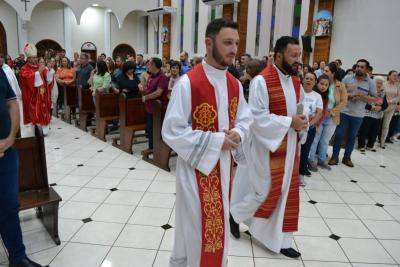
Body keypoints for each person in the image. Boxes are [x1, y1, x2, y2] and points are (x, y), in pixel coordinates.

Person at [162, 18, 252, 267]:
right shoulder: (188, 83)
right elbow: (171, 131)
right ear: (209, 43)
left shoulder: (234, 83)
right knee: (198, 228)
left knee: (217, 226)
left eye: (236, 43)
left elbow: (245, 118)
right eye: (227, 43)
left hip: (224, 169)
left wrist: (238, 134)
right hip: (195, 172)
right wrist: (216, 140)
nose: (234, 49)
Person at [230, 36, 308, 259]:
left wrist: (303, 122)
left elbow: (300, 110)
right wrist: (288, 122)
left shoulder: (295, 82)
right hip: (266, 148)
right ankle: (234, 215)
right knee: (264, 192)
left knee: (287, 193)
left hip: (290, 146)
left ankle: (282, 240)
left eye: (299, 55)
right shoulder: (261, 81)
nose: (297, 60)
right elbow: (257, 118)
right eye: (293, 56)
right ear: (279, 55)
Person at [1, 63, 43, 267]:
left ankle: (18, 258)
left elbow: (11, 103)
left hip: (5, 150)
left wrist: (10, 138)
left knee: (9, 205)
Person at [328, 59, 376, 167]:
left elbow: (375, 99)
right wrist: (349, 96)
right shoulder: (347, 78)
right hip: (344, 112)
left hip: (358, 115)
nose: (359, 68)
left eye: (362, 67)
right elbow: (339, 92)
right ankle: (334, 157)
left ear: (367, 69)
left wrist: (363, 96)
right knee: (339, 135)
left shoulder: (371, 82)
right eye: (358, 66)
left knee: (352, 136)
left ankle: (347, 158)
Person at [309, 62, 347, 171]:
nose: (323, 72)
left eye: (326, 71)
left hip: (332, 117)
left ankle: (321, 160)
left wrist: (332, 112)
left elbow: (344, 102)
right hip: (319, 116)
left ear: (333, 73)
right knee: (315, 139)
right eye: (323, 70)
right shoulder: (320, 83)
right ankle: (311, 160)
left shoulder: (340, 85)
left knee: (325, 140)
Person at [299, 72, 323, 185]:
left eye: (311, 79)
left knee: (305, 151)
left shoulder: (317, 96)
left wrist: (310, 124)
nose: (308, 80)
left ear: (315, 82)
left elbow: (319, 113)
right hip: (295, 126)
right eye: (306, 78)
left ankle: (301, 175)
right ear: (303, 80)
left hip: (310, 128)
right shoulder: (297, 91)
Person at [141, 57, 169, 154]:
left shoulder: (162, 77)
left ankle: (156, 148)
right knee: (150, 128)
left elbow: (158, 93)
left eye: (149, 64)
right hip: (149, 107)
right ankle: (152, 146)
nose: (147, 66)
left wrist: (146, 97)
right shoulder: (151, 76)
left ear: (153, 65)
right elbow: (147, 89)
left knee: (156, 128)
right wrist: (142, 89)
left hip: (158, 108)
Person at [357, 76, 387, 152]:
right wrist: (371, 108)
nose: (379, 85)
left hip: (378, 115)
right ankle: (361, 145)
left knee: (374, 131)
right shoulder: (369, 90)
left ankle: (370, 145)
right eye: (377, 83)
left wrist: (381, 108)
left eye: (381, 83)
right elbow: (362, 101)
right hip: (367, 113)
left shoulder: (383, 92)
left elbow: (385, 104)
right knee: (364, 130)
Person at [20, 44, 39, 128]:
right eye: (33, 57)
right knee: (32, 109)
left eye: (36, 57)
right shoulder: (24, 68)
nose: (35, 59)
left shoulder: (38, 66)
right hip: (30, 94)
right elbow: (27, 78)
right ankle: (34, 125)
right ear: (28, 58)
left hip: (39, 92)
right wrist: (38, 73)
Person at [380, 70, 400, 148]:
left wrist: (390, 101)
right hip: (382, 106)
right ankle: (372, 141)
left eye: (396, 75)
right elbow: (380, 94)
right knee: (378, 124)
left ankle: (382, 142)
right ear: (389, 76)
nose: (396, 77)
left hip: (391, 107)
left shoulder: (397, 85)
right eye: (394, 75)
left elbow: (398, 96)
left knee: (386, 125)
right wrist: (385, 102)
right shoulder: (384, 84)